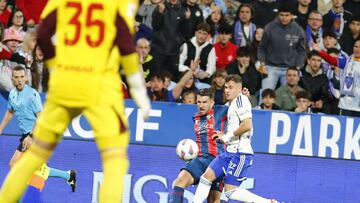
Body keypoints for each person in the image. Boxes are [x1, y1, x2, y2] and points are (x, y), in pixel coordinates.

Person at [0, 1, 151, 202]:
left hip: (65, 85)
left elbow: (43, 34)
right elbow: (124, 42)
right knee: (115, 162)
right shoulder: (114, 4)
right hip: (100, 87)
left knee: (33, 158)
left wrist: (55, 66)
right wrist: (139, 89)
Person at [193, 74, 277, 203]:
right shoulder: (235, 102)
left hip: (240, 152)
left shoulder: (240, 101)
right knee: (206, 177)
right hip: (229, 151)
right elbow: (237, 125)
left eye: (231, 87)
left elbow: (247, 125)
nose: (226, 90)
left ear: (239, 89)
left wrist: (227, 136)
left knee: (231, 191)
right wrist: (224, 135)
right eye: (226, 87)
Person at [0, 67, 77, 195]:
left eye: (21, 77)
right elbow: (9, 112)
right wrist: (1, 128)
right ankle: (68, 175)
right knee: (38, 168)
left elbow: (40, 117)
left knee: (15, 164)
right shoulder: (13, 93)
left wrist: (31, 136)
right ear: (12, 79)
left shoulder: (32, 94)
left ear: (26, 78)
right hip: (26, 135)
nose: (19, 80)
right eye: (16, 77)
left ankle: (19, 193)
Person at [169, 88, 227, 202]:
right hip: (200, 160)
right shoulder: (195, 117)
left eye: (204, 102)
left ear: (212, 102)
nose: (201, 105)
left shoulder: (222, 111)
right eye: (198, 102)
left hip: (217, 162)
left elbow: (241, 116)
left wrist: (226, 135)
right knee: (179, 182)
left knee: (214, 200)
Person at [257, 2, 306, 90]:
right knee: (265, 94)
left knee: (288, 99)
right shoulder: (269, 28)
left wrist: (298, 67)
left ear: (292, 16)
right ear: (278, 14)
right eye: (281, 15)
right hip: (270, 67)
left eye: (287, 15)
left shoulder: (298, 30)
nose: (284, 18)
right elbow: (261, 48)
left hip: (289, 69)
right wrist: (262, 63)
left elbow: (302, 51)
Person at [312, 39, 360, 117]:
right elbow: (332, 60)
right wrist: (320, 51)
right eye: (356, 46)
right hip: (345, 105)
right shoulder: (347, 61)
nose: (357, 49)